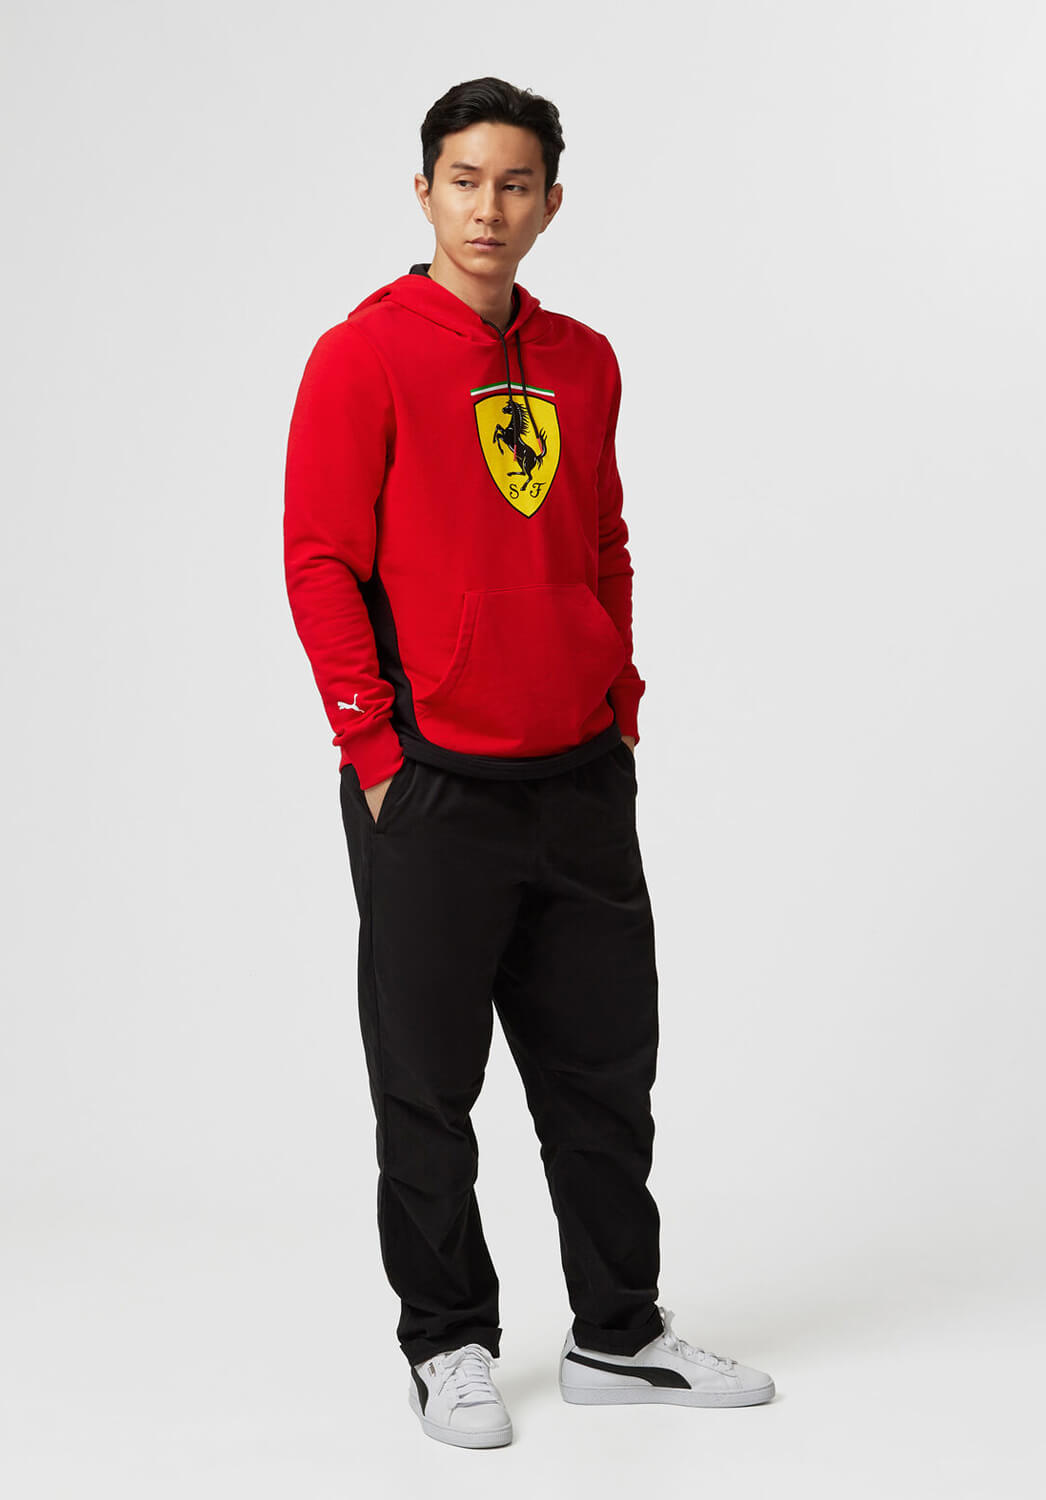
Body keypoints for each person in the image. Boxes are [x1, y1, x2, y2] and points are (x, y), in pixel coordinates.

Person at [283, 75, 775, 1450]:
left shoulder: (584, 358)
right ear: (423, 191)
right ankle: (447, 1342)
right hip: (431, 782)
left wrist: (618, 698)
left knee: (604, 1074)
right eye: (463, 181)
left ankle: (620, 1332)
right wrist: (374, 747)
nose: (486, 208)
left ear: (550, 202)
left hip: (578, 772)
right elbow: (320, 561)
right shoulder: (363, 355)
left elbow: (601, 539)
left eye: (513, 185)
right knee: (427, 1085)